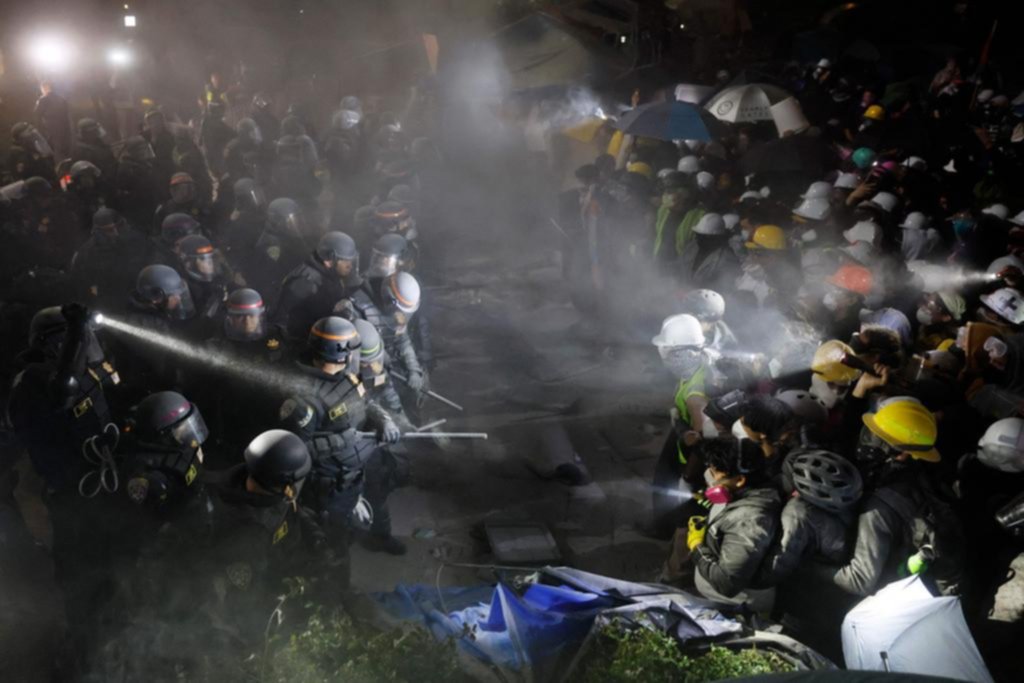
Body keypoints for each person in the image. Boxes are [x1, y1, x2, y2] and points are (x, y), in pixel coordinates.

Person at [279, 317, 400, 581]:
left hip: (349, 481)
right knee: (330, 554)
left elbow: (366, 404)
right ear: (339, 352)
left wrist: (384, 420)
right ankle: (334, 601)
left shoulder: (346, 378)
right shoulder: (303, 397)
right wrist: (342, 441)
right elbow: (293, 451)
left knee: (345, 541)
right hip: (323, 491)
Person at [830, 398, 964, 596]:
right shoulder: (921, 476)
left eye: (877, 438)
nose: (868, 441)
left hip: (914, 594)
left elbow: (859, 581)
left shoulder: (878, 507)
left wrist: (807, 566)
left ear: (902, 454)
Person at [689, 437, 782, 613]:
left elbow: (727, 583)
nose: (712, 477)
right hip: (717, 599)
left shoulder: (749, 522)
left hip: (735, 607)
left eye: (717, 473)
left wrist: (697, 546)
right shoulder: (748, 492)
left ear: (740, 480)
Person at [647, 314, 711, 537]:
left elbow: (703, 440)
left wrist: (688, 476)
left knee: (684, 506)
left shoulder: (696, 394)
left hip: (692, 458)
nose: (664, 357)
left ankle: (674, 547)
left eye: (668, 351)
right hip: (682, 439)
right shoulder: (701, 362)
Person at [273, 231, 358, 342]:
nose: (350, 265)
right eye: (345, 260)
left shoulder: (331, 275)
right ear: (329, 261)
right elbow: (279, 320)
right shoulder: (305, 282)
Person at [70, 207, 151, 309]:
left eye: (118, 227)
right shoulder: (87, 253)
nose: (116, 233)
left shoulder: (137, 242)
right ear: (98, 231)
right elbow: (81, 284)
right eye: (109, 230)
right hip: (107, 305)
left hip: (135, 300)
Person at [34, 80, 72, 161]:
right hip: (64, 128)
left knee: (55, 152)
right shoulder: (61, 98)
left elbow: (37, 114)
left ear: (45, 88)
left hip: (51, 130)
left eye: (42, 89)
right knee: (65, 150)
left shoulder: (43, 100)